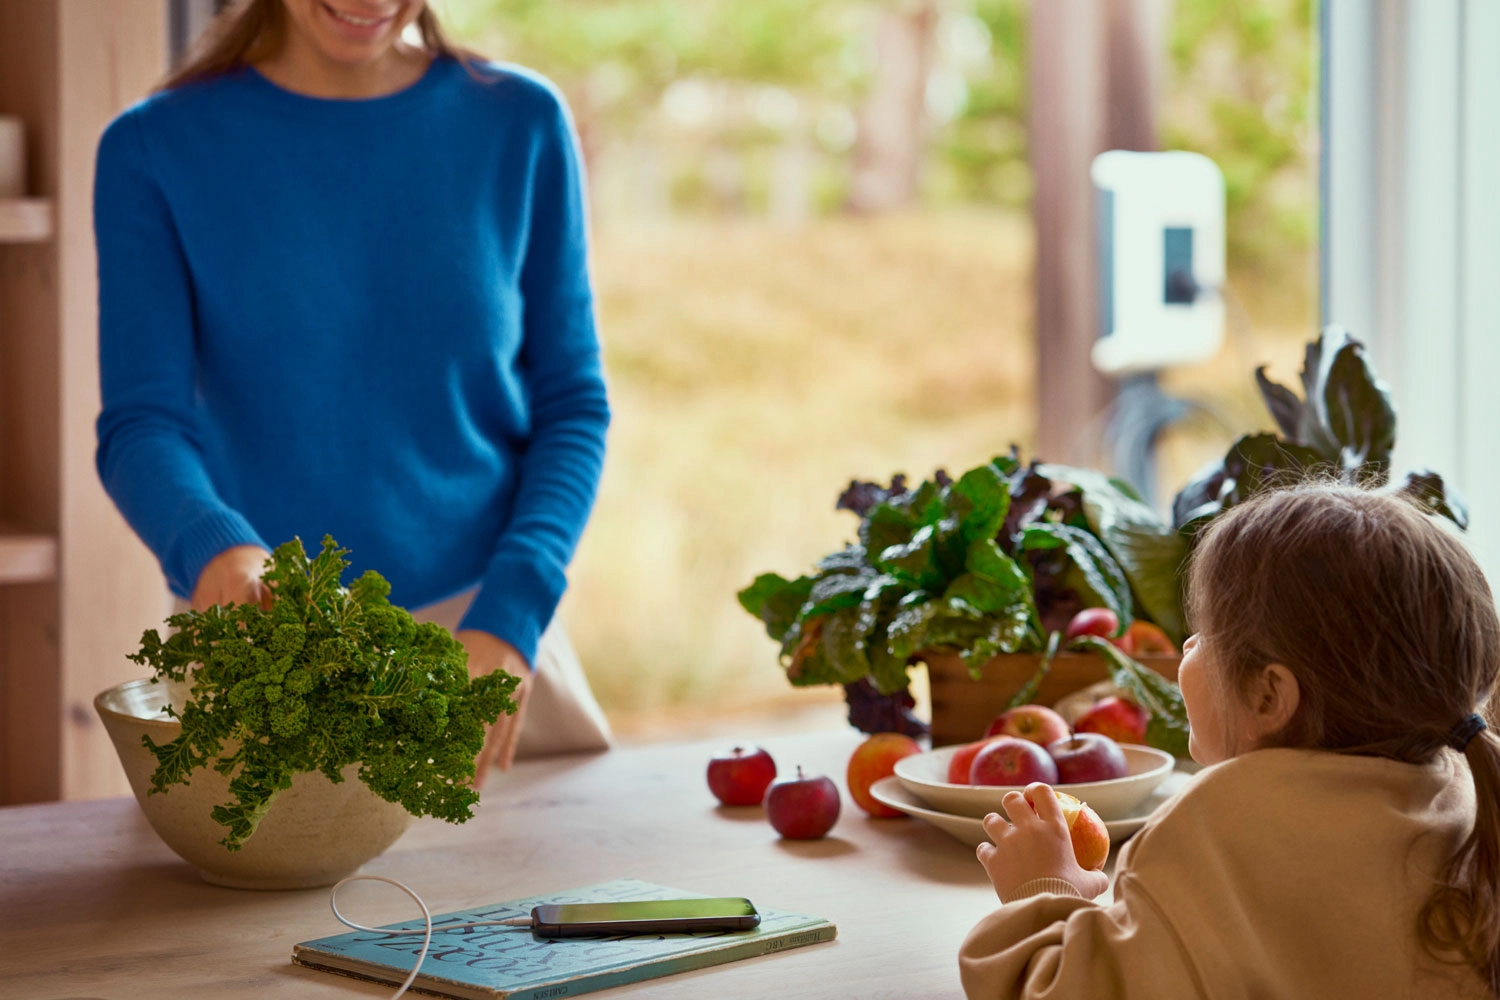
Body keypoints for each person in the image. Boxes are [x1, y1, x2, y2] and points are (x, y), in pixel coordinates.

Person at [93, 0, 611, 774]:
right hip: (259, 648)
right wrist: (217, 550)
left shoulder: (518, 123)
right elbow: (141, 423)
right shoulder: (153, 147)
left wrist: (511, 615)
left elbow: (571, 405)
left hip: (485, 646)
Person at [960, 485, 1498, 999]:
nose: (1188, 644)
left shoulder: (1217, 833)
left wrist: (1045, 892)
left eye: (1208, 635)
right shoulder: (1470, 800)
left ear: (1269, 696)